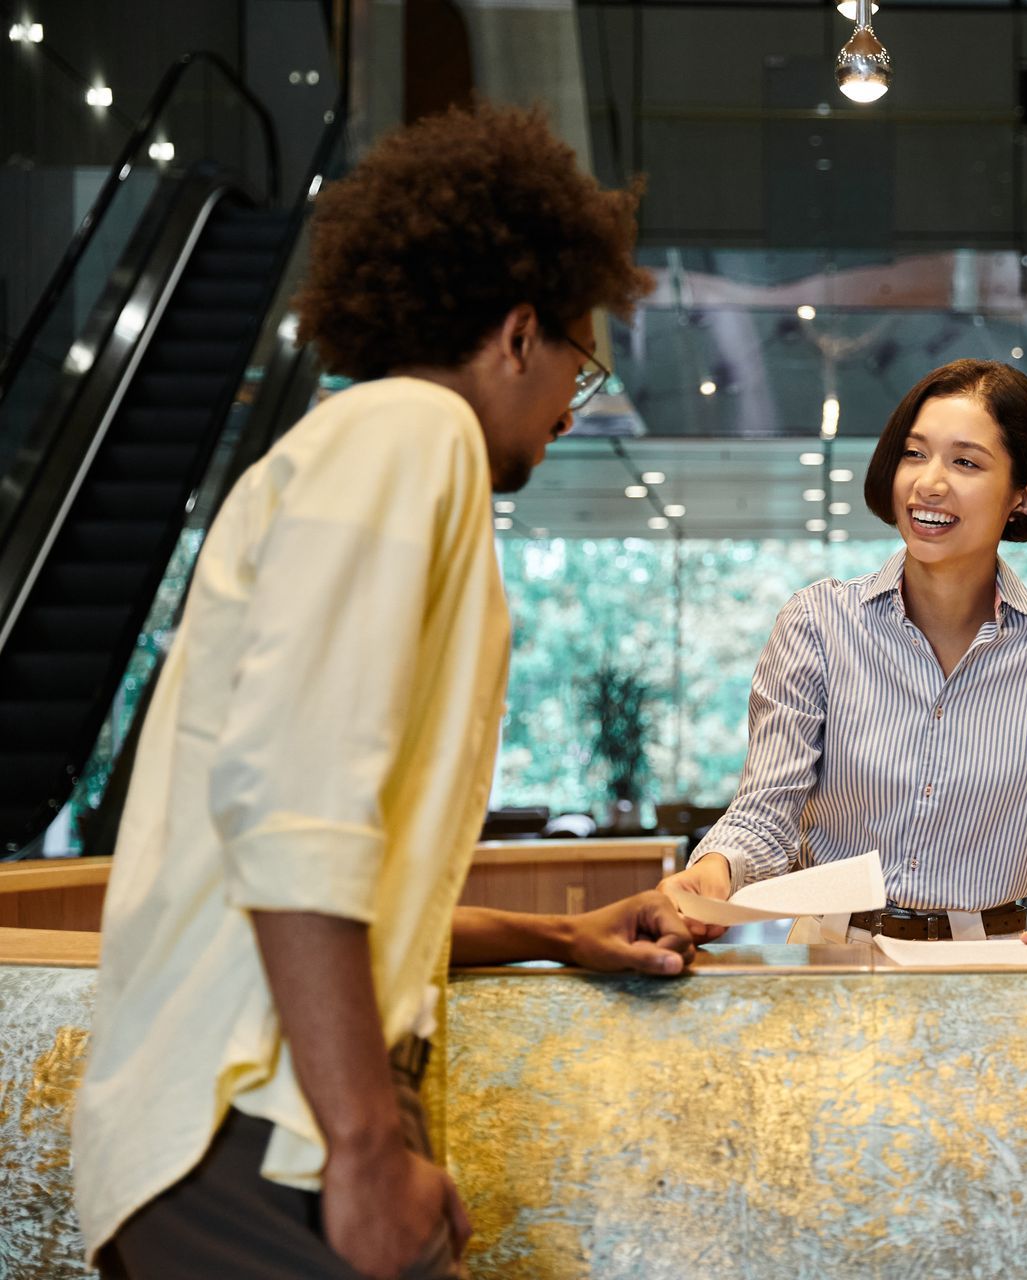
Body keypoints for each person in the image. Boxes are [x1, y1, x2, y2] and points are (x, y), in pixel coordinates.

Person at [73, 104, 691, 1280]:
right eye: (581, 358)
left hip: (249, 1122)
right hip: (262, 1121)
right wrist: (364, 1142)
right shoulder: (413, 433)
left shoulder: (357, 445)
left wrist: (565, 934)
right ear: (519, 332)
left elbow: (340, 884)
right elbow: (296, 815)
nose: (575, 400)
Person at [662, 359, 1027, 949]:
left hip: (991, 960)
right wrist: (713, 870)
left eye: (966, 462)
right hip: (832, 954)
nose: (929, 483)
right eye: (913, 454)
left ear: (1023, 496)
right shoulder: (819, 624)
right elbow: (766, 810)